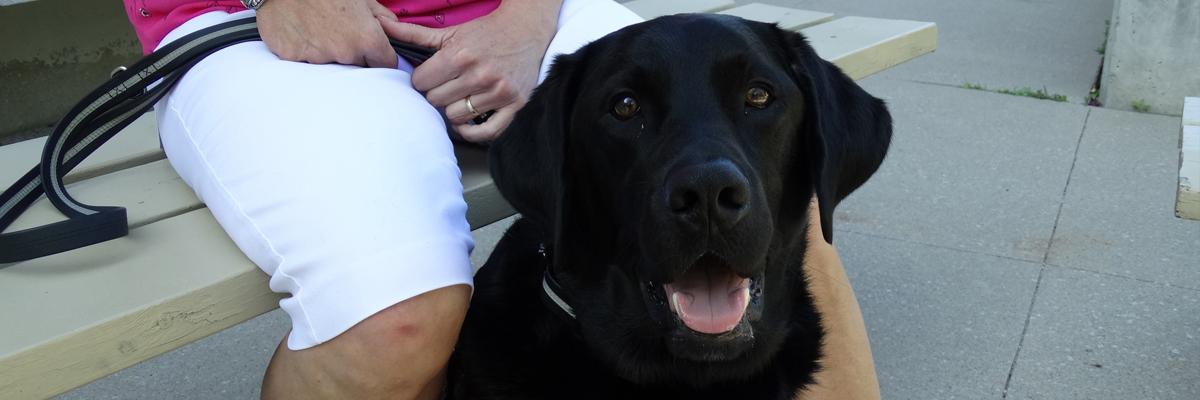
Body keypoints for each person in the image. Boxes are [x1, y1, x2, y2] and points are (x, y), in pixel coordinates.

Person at [120, 0, 880, 398]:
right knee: (394, 318)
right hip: (269, 20)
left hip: (516, 8)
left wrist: (527, 15)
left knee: (759, 190)